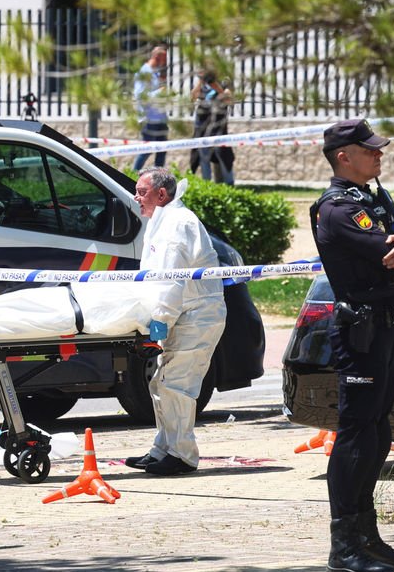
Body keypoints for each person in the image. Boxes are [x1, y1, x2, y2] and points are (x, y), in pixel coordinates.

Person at [310, 119, 394, 572]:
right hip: (357, 330)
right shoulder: (338, 208)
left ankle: (368, 537)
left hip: (383, 325)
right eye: (370, 150)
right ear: (344, 156)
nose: (379, 156)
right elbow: (389, 253)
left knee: (380, 428)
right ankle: (345, 546)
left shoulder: (373, 197)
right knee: (358, 432)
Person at [124, 167, 227, 476]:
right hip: (184, 314)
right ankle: (163, 448)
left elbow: (170, 285)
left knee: (176, 385)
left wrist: (155, 330)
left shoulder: (176, 225)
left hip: (196, 316)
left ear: (162, 195)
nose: (136, 197)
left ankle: (182, 455)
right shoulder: (163, 222)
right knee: (160, 382)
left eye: (142, 192)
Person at [189, 70, 234, 184]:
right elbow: (193, 97)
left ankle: (229, 184)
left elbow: (228, 99)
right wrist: (200, 81)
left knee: (223, 155)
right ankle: (207, 184)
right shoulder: (202, 84)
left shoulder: (224, 81)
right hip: (202, 125)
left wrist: (216, 86)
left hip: (218, 126)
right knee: (203, 156)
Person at [131, 46, 170, 171]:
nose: (166, 62)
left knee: (162, 150)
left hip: (160, 118)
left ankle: (159, 177)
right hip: (149, 119)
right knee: (147, 150)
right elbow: (140, 96)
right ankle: (132, 174)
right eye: (164, 59)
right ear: (157, 57)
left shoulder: (155, 73)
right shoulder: (144, 73)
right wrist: (160, 92)